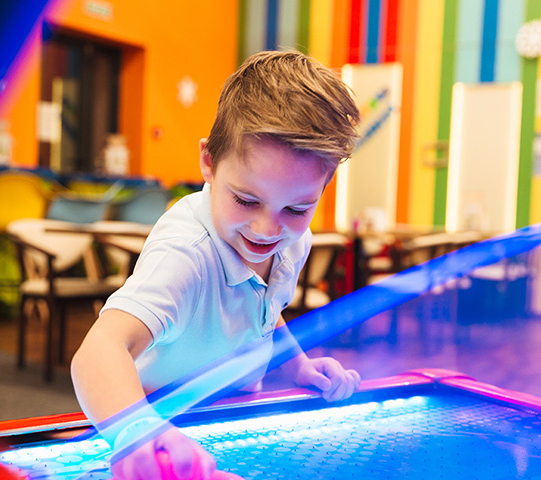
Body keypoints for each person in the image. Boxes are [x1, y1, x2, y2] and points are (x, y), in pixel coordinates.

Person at [71, 50, 362, 480]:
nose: (267, 228)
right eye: (246, 200)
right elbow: (98, 350)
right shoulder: (186, 254)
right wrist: (138, 433)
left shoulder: (292, 243)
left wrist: (296, 364)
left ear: (324, 185)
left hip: (230, 423)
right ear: (208, 162)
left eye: (297, 208)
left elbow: (263, 313)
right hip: (159, 437)